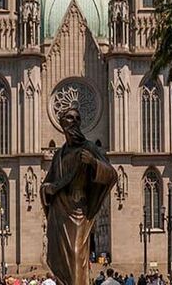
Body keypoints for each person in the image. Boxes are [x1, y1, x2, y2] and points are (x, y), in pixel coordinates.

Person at [41, 108, 118, 285]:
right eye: (69, 117)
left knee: (76, 256)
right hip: (59, 212)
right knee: (59, 261)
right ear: (61, 122)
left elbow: (112, 175)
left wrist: (93, 162)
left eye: (77, 118)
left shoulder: (89, 147)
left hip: (78, 210)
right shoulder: (59, 154)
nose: (74, 121)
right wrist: (48, 189)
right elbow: (47, 183)